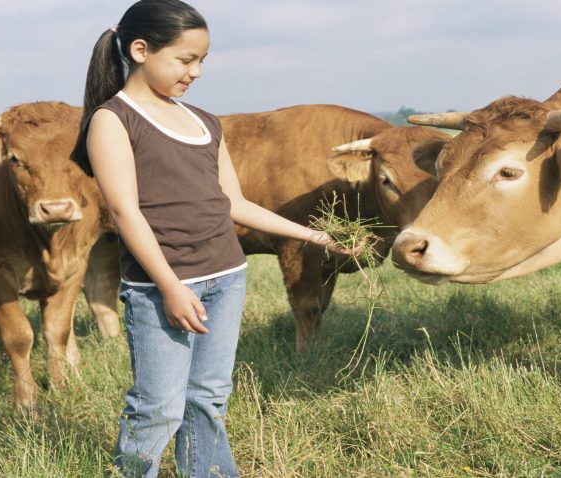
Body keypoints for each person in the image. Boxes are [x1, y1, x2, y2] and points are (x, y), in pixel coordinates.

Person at [71, 1, 356, 476]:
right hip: (161, 287)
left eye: (202, 60)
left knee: (207, 398)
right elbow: (126, 213)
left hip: (226, 277)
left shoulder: (205, 121)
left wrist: (317, 235)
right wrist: (169, 286)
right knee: (158, 407)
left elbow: (234, 204)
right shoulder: (112, 120)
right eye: (185, 59)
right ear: (140, 50)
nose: (196, 71)